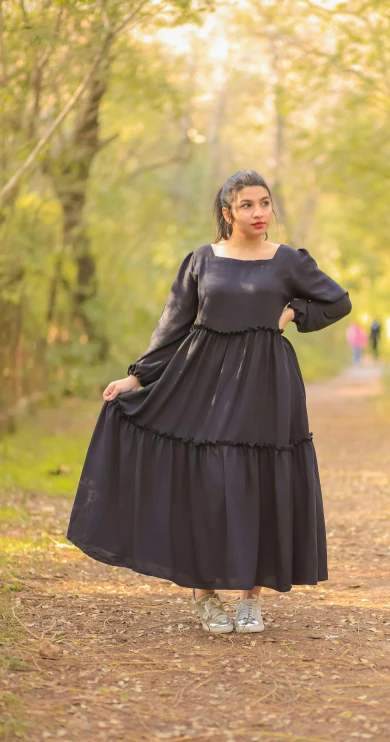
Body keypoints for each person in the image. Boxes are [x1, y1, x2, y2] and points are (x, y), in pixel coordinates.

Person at [66, 169, 352, 635]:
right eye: (247, 205)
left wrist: (293, 312)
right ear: (227, 212)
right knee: (206, 480)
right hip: (202, 383)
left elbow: (337, 301)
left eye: (265, 202)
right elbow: (173, 327)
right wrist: (136, 378)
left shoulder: (286, 261)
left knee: (259, 481)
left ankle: (250, 599)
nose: (259, 212)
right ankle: (203, 592)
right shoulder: (202, 261)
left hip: (267, 385)